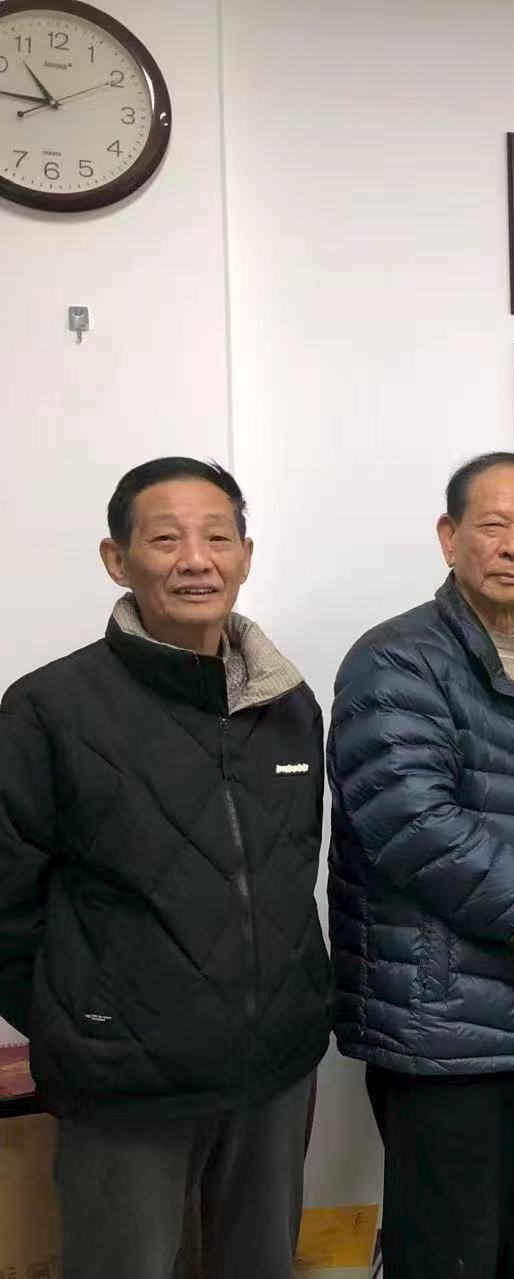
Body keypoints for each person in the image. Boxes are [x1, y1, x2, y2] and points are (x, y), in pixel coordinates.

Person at [0, 458, 330, 1279]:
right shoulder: (49, 707)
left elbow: (292, 872)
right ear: (117, 559)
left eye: (217, 537)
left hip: (276, 1067)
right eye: (165, 539)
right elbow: (8, 906)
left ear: (245, 556)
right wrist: (88, 1022)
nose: (195, 560)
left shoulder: (288, 704)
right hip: (126, 1084)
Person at [328, 452, 514, 1279]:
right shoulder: (396, 659)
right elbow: (413, 822)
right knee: (447, 1247)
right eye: (494, 525)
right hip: (439, 1009)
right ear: (449, 536)